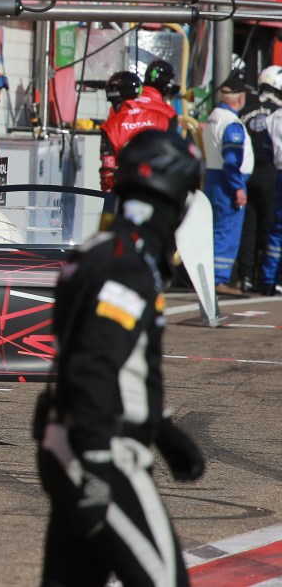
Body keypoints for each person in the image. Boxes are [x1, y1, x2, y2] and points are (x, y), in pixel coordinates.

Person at [38, 129, 206, 586]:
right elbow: (93, 363)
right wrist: (95, 464)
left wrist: (164, 431)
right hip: (99, 448)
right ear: (172, 194)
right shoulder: (127, 263)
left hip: (72, 441)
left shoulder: (101, 250)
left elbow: (109, 357)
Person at [203, 75, 253, 293]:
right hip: (228, 182)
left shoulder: (212, 117)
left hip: (213, 179)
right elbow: (232, 159)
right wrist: (238, 187)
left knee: (215, 229)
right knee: (226, 231)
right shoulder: (231, 122)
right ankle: (219, 280)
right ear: (240, 98)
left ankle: (211, 277)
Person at [98, 66, 180, 192]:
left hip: (128, 191)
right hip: (160, 188)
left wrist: (109, 195)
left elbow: (107, 173)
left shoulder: (110, 127)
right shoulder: (163, 118)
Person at [238, 64, 282, 292]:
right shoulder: (278, 112)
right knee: (271, 226)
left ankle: (245, 276)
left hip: (246, 173)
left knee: (249, 225)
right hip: (271, 174)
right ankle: (265, 278)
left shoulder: (246, 107)